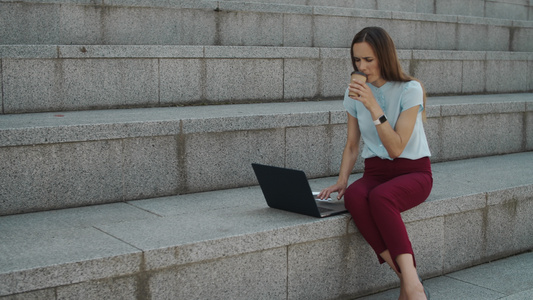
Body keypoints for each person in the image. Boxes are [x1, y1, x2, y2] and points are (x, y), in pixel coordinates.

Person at [318, 27, 432, 300]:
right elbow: (352, 144)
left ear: (384, 56)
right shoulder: (353, 94)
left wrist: (373, 106)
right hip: (376, 171)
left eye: (368, 59)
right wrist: (343, 180)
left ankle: (414, 288)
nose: (362, 67)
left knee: (381, 198)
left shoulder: (410, 89)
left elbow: (395, 147)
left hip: (413, 171)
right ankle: (408, 280)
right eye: (357, 60)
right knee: (356, 197)